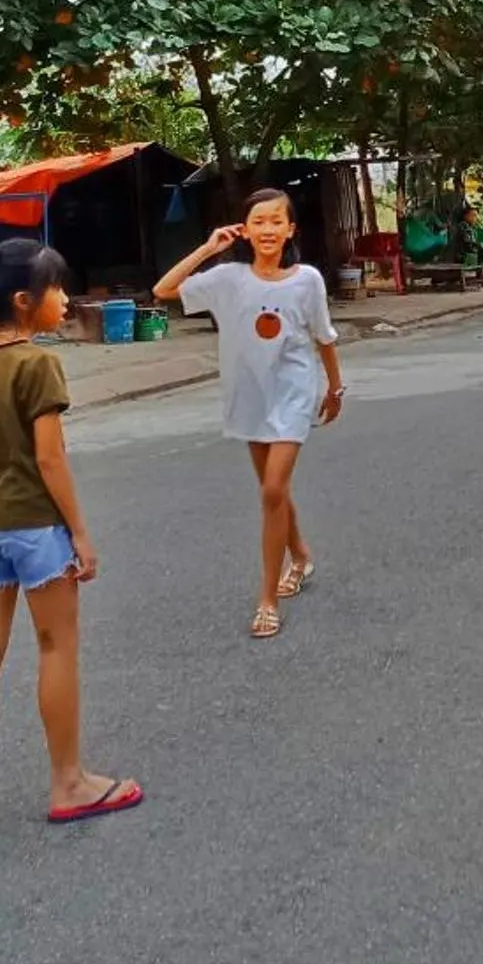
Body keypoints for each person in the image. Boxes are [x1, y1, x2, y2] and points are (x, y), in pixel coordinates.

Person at [0, 237, 142, 830]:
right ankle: (69, 783)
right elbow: (49, 459)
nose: (65, 299)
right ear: (24, 301)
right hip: (36, 528)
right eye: (56, 289)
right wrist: (80, 533)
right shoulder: (38, 365)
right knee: (56, 646)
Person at [154, 189, 345, 638]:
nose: (268, 229)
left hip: (294, 394)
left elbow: (324, 337)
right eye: (258, 221)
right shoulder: (228, 278)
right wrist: (208, 248)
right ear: (244, 229)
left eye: (277, 221)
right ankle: (300, 556)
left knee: (273, 488)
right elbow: (164, 289)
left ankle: (267, 600)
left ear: (291, 229)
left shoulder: (308, 280)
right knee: (272, 492)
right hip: (249, 396)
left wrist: (335, 387)